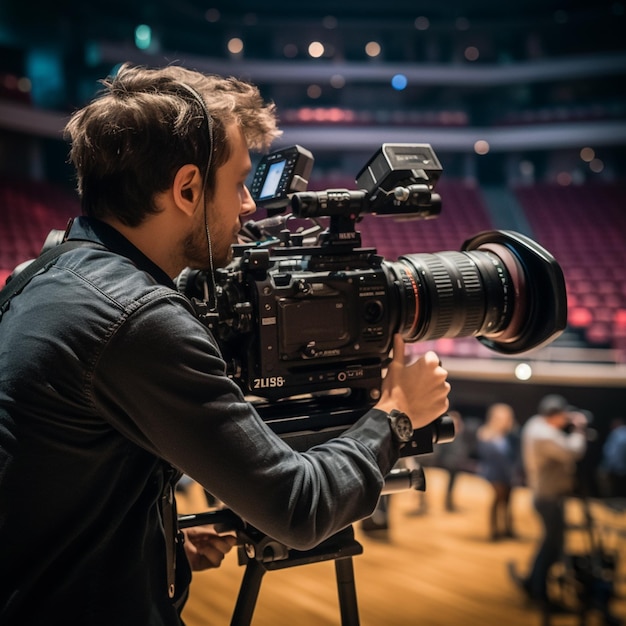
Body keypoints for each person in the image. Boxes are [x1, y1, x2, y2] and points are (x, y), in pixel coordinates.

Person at [0, 63, 450, 625]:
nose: (249, 206)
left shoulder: (43, 273)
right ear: (187, 189)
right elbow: (297, 508)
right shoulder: (139, 319)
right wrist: (398, 414)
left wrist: (160, 546)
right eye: (238, 183)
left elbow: (56, 487)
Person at [510, 394, 587, 612]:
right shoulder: (544, 434)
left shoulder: (536, 424)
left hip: (545, 494)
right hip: (549, 497)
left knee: (549, 543)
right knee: (552, 546)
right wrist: (579, 429)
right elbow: (573, 451)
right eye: (563, 415)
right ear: (554, 415)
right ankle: (540, 593)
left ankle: (532, 581)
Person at [476, 403, 520, 540]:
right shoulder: (486, 433)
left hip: (508, 473)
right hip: (494, 473)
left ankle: (508, 528)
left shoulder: (510, 435)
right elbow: (487, 455)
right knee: (498, 499)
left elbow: (514, 454)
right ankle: (494, 531)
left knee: (508, 500)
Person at [600, 417, 626, 499]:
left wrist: (607, 467)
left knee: (617, 493)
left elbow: (612, 453)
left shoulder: (618, 433)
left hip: (616, 468)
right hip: (620, 468)